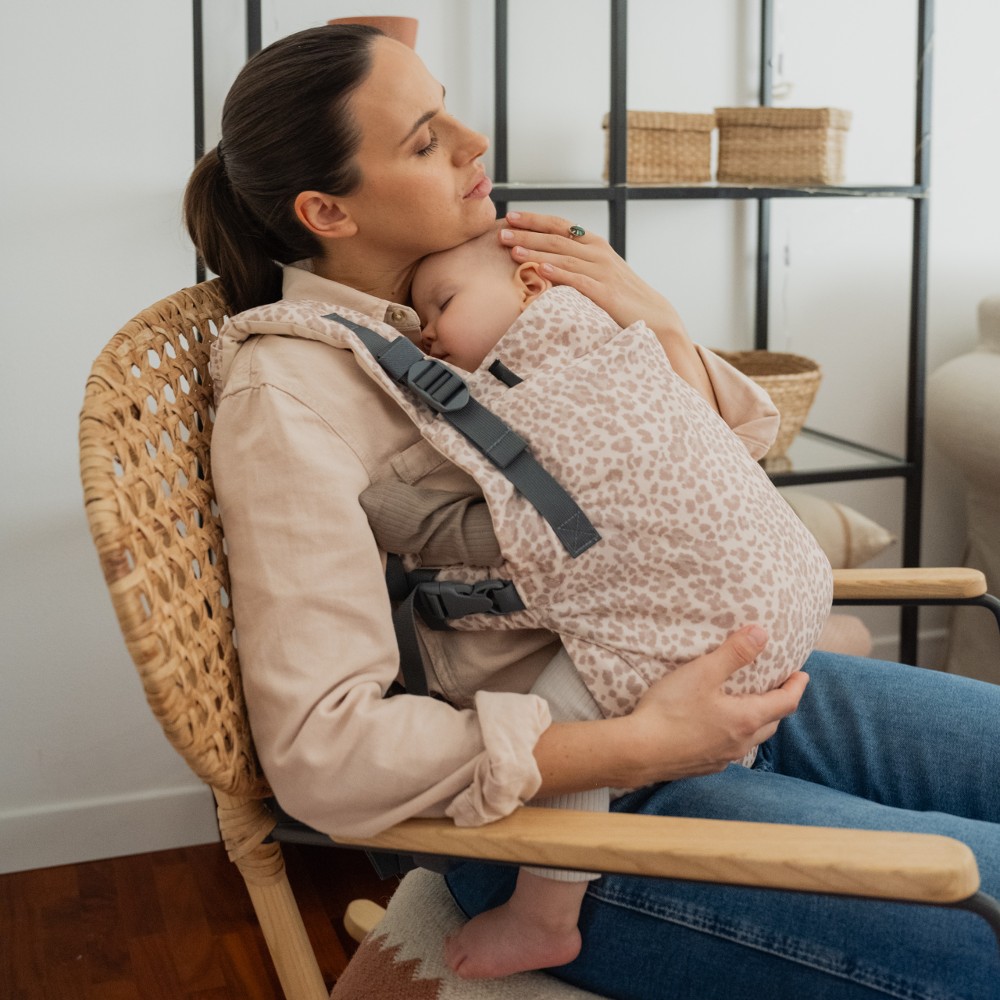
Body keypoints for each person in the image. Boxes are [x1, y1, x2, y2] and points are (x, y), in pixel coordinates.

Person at [183, 23, 1000, 998]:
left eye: (447, 108)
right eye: (423, 139)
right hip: (555, 806)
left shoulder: (504, 270)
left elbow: (713, 463)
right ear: (326, 209)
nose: (473, 139)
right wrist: (639, 745)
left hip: (702, 669)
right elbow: (325, 752)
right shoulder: (291, 396)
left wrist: (647, 314)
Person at [354, 225, 833, 977]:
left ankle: (544, 916)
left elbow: (506, 489)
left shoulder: (539, 359)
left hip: (719, 610)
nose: (431, 336)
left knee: (551, 720)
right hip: (787, 591)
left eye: (442, 304)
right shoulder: (600, 339)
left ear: (534, 289)